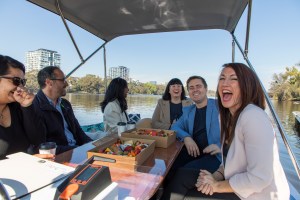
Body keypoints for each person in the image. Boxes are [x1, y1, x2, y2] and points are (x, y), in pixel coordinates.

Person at [163, 63, 290, 200]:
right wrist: (215, 176)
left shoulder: (253, 117)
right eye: (222, 79)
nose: (225, 83)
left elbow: (259, 178)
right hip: (228, 175)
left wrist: (217, 185)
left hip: (255, 195)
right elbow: (229, 160)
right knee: (176, 171)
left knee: (182, 183)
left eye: (233, 79)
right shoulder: (228, 116)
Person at [0, 55, 50, 159]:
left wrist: (27, 106)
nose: (20, 87)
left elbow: (38, 140)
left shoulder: (18, 108)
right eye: (16, 80)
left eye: (23, 82)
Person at [33, 66, 92, 154]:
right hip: (60, 156)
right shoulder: (34, 107)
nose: (66, 84)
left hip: (76, 150)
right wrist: (77, 150)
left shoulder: (65, 104)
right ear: (49, 82)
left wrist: (92, 145)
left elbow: (78, 131)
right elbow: (41, 146)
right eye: (63, 80)